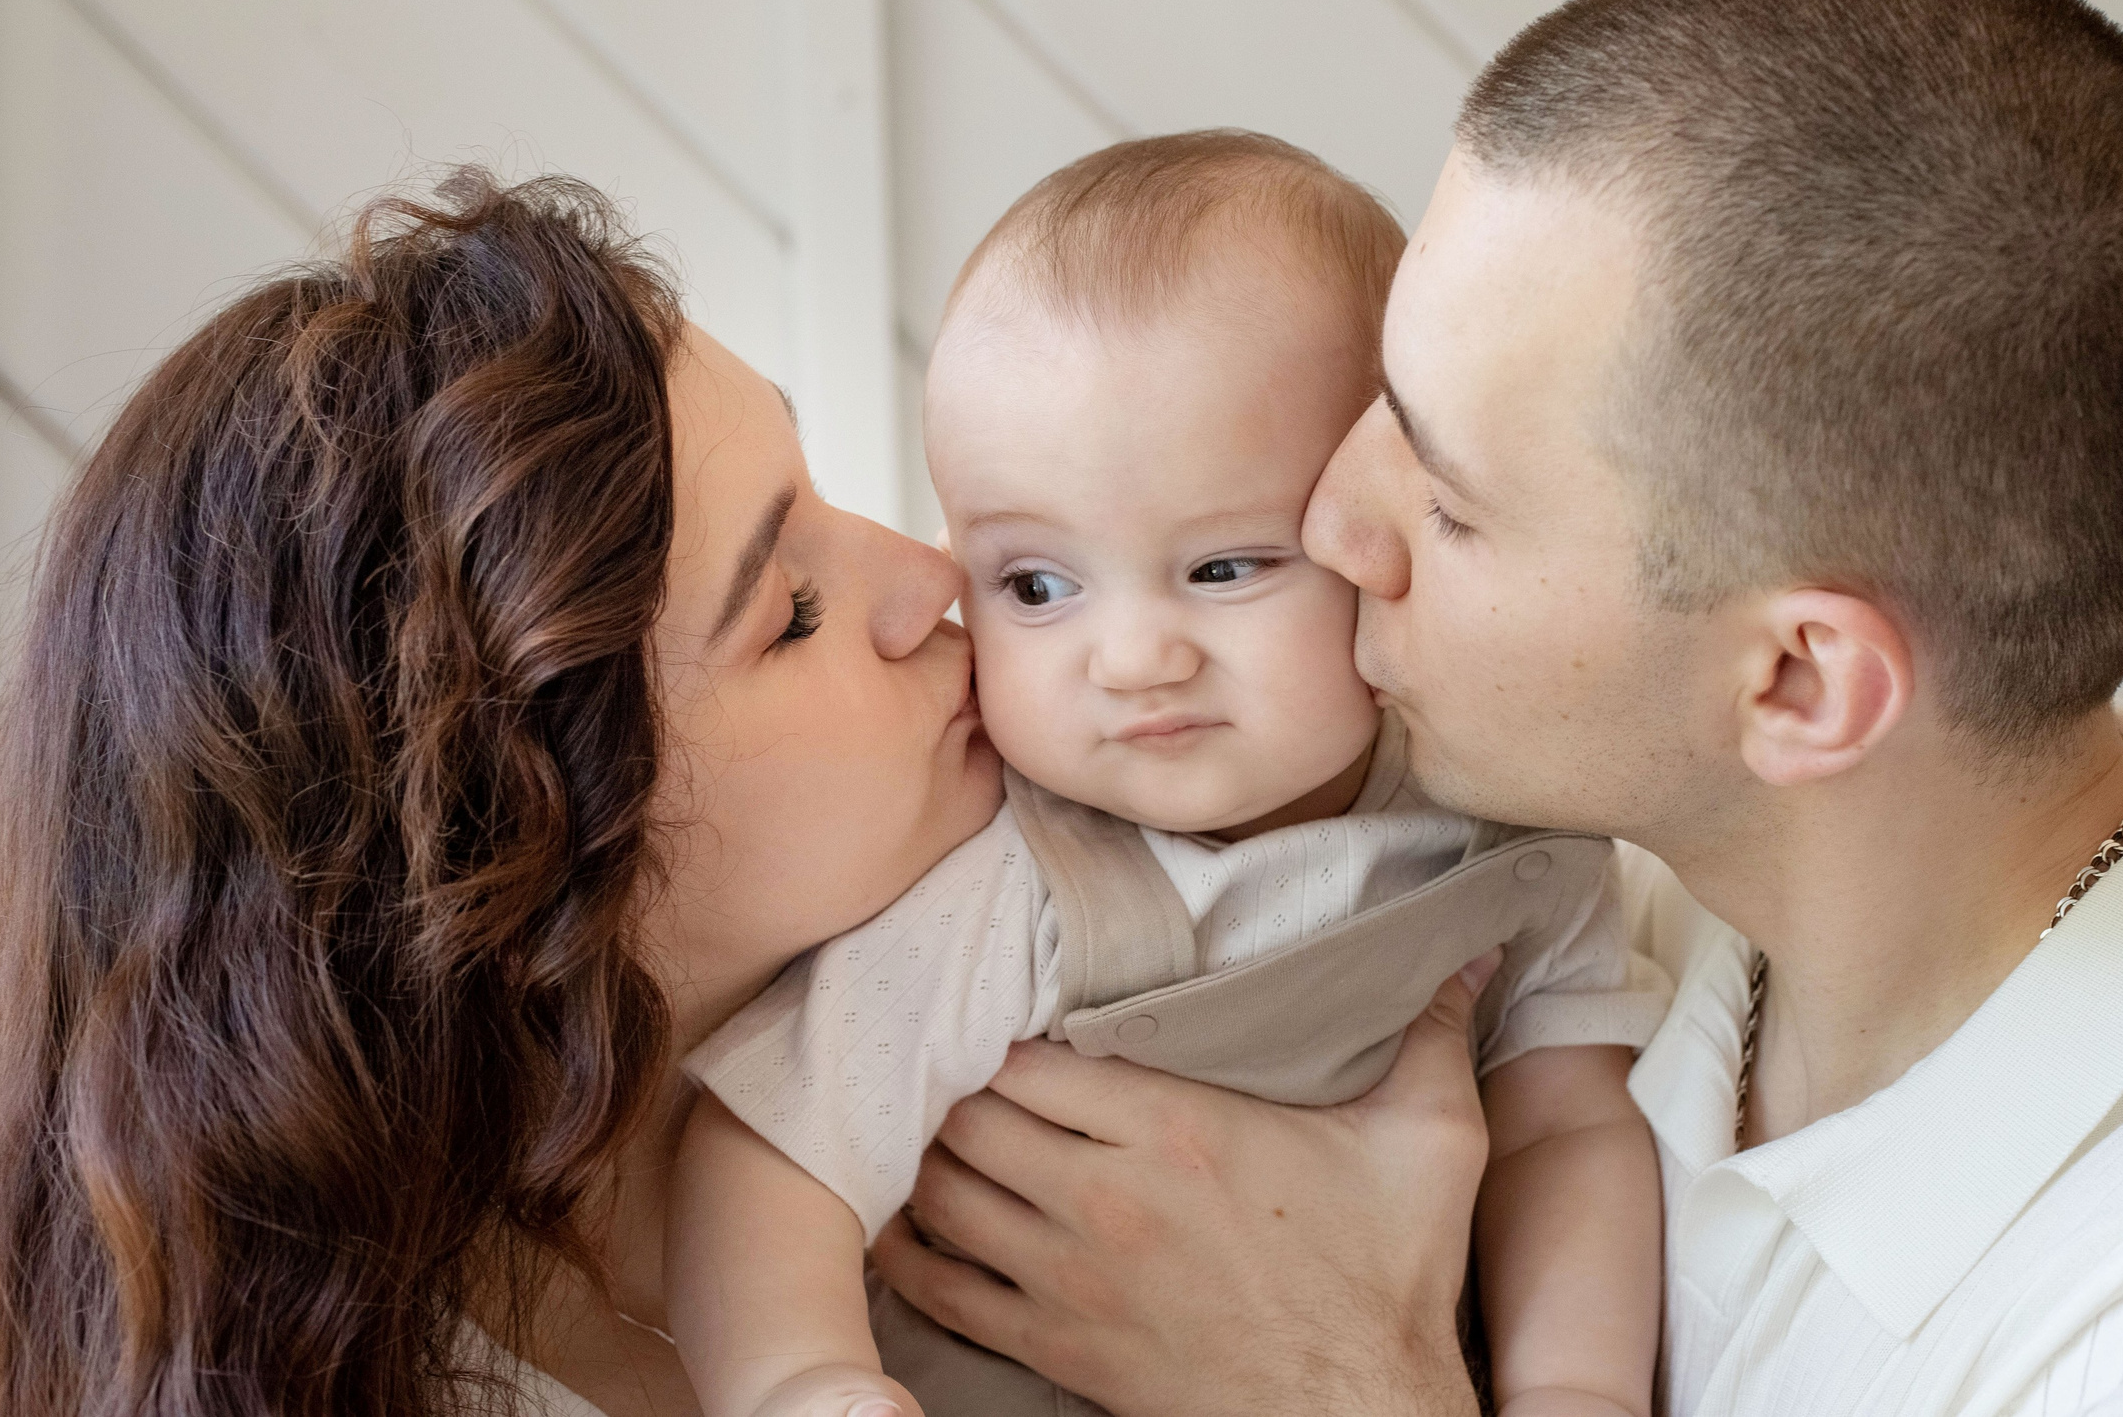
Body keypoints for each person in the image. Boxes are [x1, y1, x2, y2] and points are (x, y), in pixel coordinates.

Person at [870, 0, 2123, 1413]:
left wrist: (1346, 1381)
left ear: (1794, 684)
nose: (1333, 523)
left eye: (1449, 491)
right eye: (1378, 401)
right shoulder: (1583, 888)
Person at [0, 172, 1023, 1417]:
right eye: (791, 615)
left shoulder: (1053, 1029)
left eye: (825, 494)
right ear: (516, 851)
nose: (934, 575)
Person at [665, 132, 1668, 1417]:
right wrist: (797, 1381)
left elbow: (1566, 1128)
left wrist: (1574, 1385)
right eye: (1036, 586)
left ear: (1377, 522)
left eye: (1224, 568)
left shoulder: (1509, 821)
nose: (1133, 657)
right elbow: (773, 1155)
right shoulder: (998, 881)